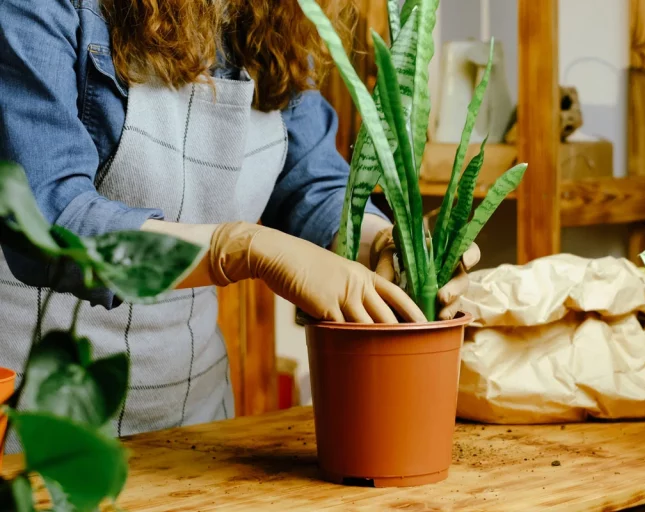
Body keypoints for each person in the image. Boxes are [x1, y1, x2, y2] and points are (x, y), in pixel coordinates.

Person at [0, 0, 481, 451]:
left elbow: (310, 183)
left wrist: (385, 243)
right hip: (37, 420)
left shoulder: (272, 16)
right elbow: (51, 219)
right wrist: (238, 248)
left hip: (194, 420)